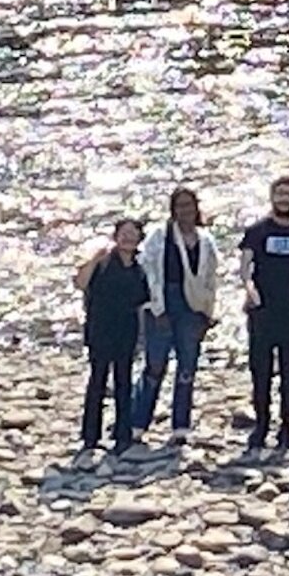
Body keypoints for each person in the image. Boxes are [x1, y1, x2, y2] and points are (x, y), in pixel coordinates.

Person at [132, 187, 220, 446]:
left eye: (189, 205)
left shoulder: (206, 240)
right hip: (163, 303)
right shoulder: (159, 236)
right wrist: (152, 306)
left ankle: (181, 425)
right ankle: (137, 422)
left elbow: (210, 279)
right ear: (173, 210)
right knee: (155, 366)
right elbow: (147, 270)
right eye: (180, 206)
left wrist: (208, 312)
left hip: (192, 308)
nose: (185, 211)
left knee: (187, 366)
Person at [239, 177, 289, 457]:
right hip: (262, 311)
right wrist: (250, 290)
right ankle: (261, 423)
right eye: (280, 193)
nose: (284, 198)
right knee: (260, 369)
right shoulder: (257, 231)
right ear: (272, 196)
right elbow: (245, 266)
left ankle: (287, 424)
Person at [74, 219, 151, 459]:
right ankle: (90, 436)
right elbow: (80, 283)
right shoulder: (104, 262)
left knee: (123, 381)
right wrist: (93, 259)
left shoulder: (139, 268)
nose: (128, 238)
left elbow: (142, 303)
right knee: (97, 381)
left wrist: (142, 336)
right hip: (100, 328)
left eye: (133, 234)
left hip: (126, 330)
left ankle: (122, 434)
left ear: (139, 239)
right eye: (124, 234)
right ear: (116, 237)